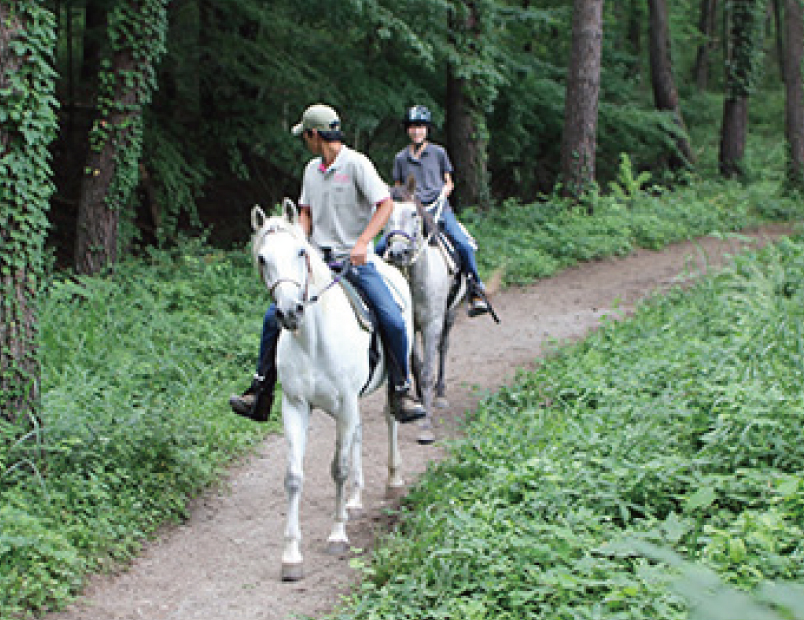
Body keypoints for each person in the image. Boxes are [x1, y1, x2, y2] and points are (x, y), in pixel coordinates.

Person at [229, 103, 426, 424]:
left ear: (313, 134)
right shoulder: (311, 170)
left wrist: (363, 243)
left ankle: (401, 390)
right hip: (318, 261)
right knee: (271, 318)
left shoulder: (357, 164)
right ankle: (260, 392)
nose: (304, 142)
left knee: (392, 317)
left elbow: (385, 204)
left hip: (356, 260)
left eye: (304, 136)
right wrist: (299, 242)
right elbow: (305, 212)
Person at [381, 105, 490, 317]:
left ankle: (475, 290)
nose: (416, 131)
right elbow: (399, 190)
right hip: (412, 214)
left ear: (427, 129)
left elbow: (449, 182)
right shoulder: (401, 158)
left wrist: (443, 193)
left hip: (438, 210)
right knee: (381, 249)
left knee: (464, 245)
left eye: (420, 127)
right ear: (407, 130)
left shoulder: (438, 153)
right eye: (412, 127)